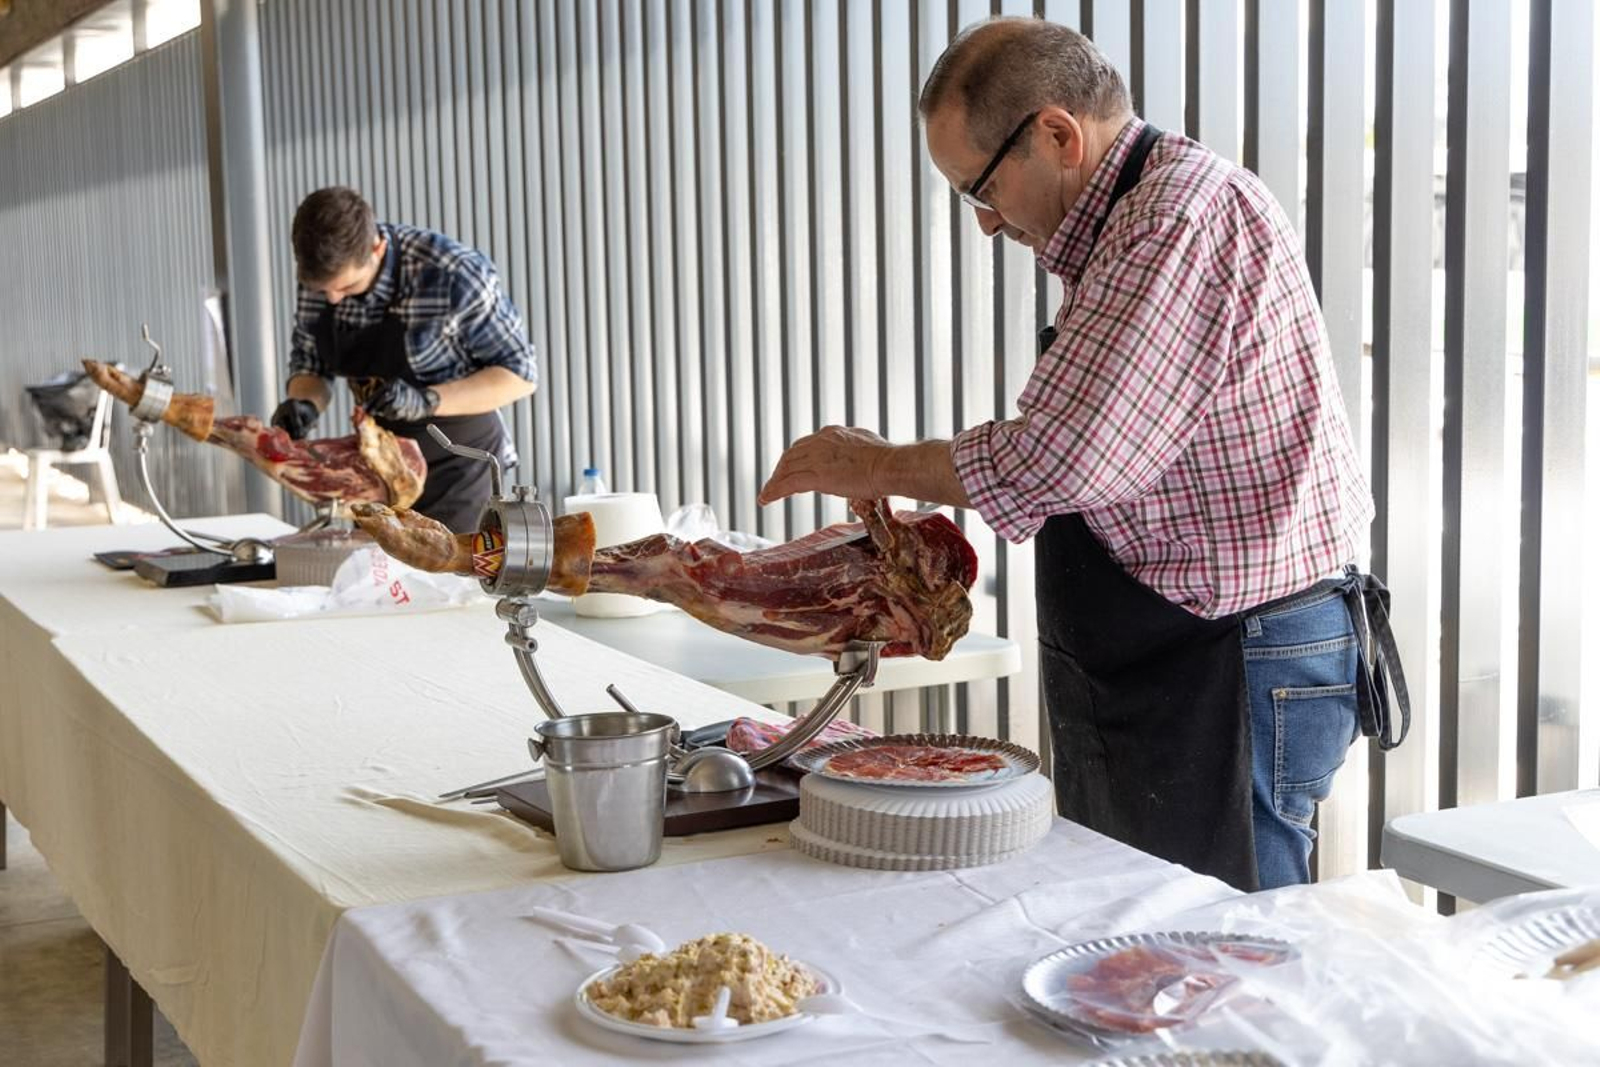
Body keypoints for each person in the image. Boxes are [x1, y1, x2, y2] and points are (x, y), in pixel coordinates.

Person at [758, 18, 1406, 891]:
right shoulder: (1135, 221)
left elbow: (1065, 458)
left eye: (979, 189)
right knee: (1140, 940)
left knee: (1221, 954)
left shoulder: (1174, 219)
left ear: (1058, 135)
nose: (987, 224)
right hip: (1184, 650)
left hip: (1235, 658)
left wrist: (871, 467)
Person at [271, 186, 538, 532]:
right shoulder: (322, 275)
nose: (333, 300)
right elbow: (311, 365)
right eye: (324, 291)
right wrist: (303, 402)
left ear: (376, 248)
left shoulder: (453, 274)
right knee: (373, 577)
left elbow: (519, 374)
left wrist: (427, 400)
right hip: (380, 456)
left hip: (457, 458)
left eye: (347, 288)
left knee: (447, 579)